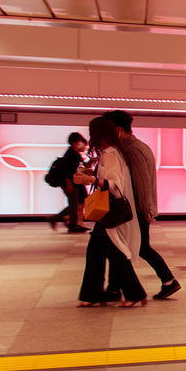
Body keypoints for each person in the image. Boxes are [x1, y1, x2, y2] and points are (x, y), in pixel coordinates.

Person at [105, 110, 180, 300]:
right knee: (124, 247)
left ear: (118, 129)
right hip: (137, 208)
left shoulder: (133, 149)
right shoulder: (134, 147)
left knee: (138, 248)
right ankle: (114, 288)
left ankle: (169, 280)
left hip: (136, 209)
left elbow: (142, 182)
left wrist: (147, 209)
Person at [74, 116, 147, 306]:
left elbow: (115, 185)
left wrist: (90, 180)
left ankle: (132, 293)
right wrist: (93, 175)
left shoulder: (111, 155)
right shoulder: (111, 153)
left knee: (112, 253)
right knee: (97, 252)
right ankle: (96, 294)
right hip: (107, 212)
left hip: (110, 211)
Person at [48, 132, 89, 233]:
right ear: (75, 142)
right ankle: (70, 224)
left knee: (74, 204)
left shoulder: (74, 153)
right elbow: (67, 171)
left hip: (74, 182)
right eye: (80, 141)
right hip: (70, 183)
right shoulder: (70, 153)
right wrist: (68, 183)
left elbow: (80, 167)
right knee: (73, 204)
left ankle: (69, 223)